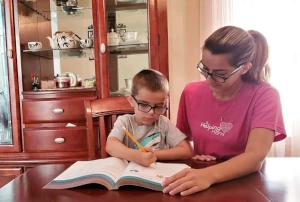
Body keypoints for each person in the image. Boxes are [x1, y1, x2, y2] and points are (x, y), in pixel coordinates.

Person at [162, 25, 286, 196]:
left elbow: (255, 157)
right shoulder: (191, 92)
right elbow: (181, 142)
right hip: (200, 181)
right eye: (205, 69)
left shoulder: (265, 95)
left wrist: (208, 174)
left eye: (220, 73)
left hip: (245, 185)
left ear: (245, 68)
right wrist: (194, 156)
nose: (209, 79)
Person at [106, 69, 193, 167]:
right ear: (131, 100)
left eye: (159, 106)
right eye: (144, 104)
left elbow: (186, 151)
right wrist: (136, 156)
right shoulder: (124, 122)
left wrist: (152, 155)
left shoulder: (163, 123)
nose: (151, 112)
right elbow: (111, 145)